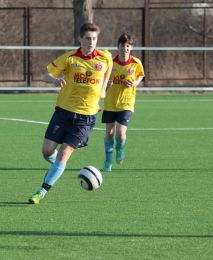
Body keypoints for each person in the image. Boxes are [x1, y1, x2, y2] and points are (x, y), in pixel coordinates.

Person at [28, 23, 112, 204]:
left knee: (64, 153)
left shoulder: (104, 58)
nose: (91, 42)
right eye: (88, 38)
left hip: (86, 117)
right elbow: (45, 75)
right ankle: (59, 167)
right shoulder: (70, 58)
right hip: (63, 112)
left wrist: (103, 89)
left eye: (95, 39)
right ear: (80, 39)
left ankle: (42, 191)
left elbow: (109, 67)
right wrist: (54, 80)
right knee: (46, 151)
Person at [101, 33, 145, 172]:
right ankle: (108, 161)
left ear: (131, 48)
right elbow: (102, 80)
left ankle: (120, 147)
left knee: (120, 133)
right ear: (117, 46)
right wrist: (107, 84)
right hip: (110, 103)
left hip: (126, 102)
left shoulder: (136, 63)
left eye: (127, 46)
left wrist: (134, 83)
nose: (125, 48)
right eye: (122, 45)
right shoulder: (110, 63)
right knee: (109, 132)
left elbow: (139, 76)